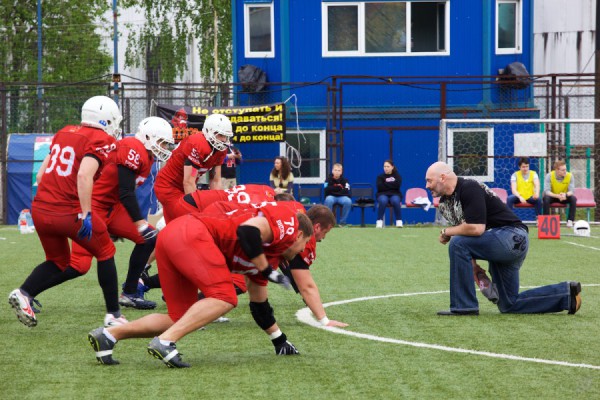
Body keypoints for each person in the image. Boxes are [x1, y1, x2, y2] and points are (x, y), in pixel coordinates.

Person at [87, 203, 313, 368]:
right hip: (193, 233)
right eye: (303, 246)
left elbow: (260, 306)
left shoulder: (267, 257)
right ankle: (165, 342)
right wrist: (266, 269)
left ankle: (109, 335)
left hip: (175, 237)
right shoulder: (286, 228)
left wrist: (280, 341)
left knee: (179, 317)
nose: (300, 253)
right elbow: (247, 231)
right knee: (225, 297)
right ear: (298, 235)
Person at [8, 95, 123, 328]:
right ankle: (114, 315)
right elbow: (83, 175)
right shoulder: (102, 140)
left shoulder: (64, 132)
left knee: (58, 260)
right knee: (106, 252)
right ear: (107, 119)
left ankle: (25, 293)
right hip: (68, 211)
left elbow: (41, 176)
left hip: (40, 209)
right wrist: (87, 213)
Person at [425, 161, 582, 316]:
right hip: (503, 244)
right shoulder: (445, 203)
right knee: (509, 304)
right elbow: (464, 233)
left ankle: (464, 307)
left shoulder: (469, 187)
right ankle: (566, 294)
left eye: (429, 180)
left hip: (511, 236)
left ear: (443, 177)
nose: (427, 186)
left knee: (456, 243)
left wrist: (447, 231)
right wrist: (473, 267)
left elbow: (476, 228)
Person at [68, 117, 174, 316]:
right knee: (79, 265)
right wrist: (139, 222)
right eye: (161, 142)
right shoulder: (132, 146)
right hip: (96, 206)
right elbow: (126, 191)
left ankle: (130, 292)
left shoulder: (147, 156)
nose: (164, 147)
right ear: (148, 137)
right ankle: (27, 291)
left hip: (112, 208)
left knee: (149, 238)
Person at [153, 113, 232, 224]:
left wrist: (219, 205)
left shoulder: (221, 151)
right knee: (195, 220)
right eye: (219, 135)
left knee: (182, 226)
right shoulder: (198, 144)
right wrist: (196, 206)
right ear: (208, 131)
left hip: (183, 186)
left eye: (226, 136)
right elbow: (188, 182)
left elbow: (215, 180)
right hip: (169, 187)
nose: (223, 140)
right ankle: (162, 226)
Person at [280, 205, 349, 327]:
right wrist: (324, 320)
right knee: (239, 289)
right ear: (316, 227)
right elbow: (306, 286)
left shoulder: (294, 213)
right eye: (325, 232)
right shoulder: (302, 236)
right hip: (240, 235)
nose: (323, 238)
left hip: (245, 226)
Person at [542, 160, 577, 227]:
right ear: (557, 170)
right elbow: (547, 191)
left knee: (573, 198)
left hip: (564, 197)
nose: (565, 171)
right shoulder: (549, 176)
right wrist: (557, 196)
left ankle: (570, 220)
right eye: (563, 170)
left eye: (565, 169)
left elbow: (572, 191)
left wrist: (565, 195)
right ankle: (546, 221)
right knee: (545, 198)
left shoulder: (570, 176)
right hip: (553, 196)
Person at [375, 160, 403, 228]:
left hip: (395, 194)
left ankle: (399, 222)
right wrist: (391, 185)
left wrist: (386, 184)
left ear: (392, 167)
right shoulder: (380, 177)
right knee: (383, 201)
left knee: (396, 201)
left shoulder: (397, 176)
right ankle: (379, 221)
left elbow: (397, 185)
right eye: (384, 166)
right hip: (382, 194)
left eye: (388, 166)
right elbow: (380, 187)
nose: (386, 168)